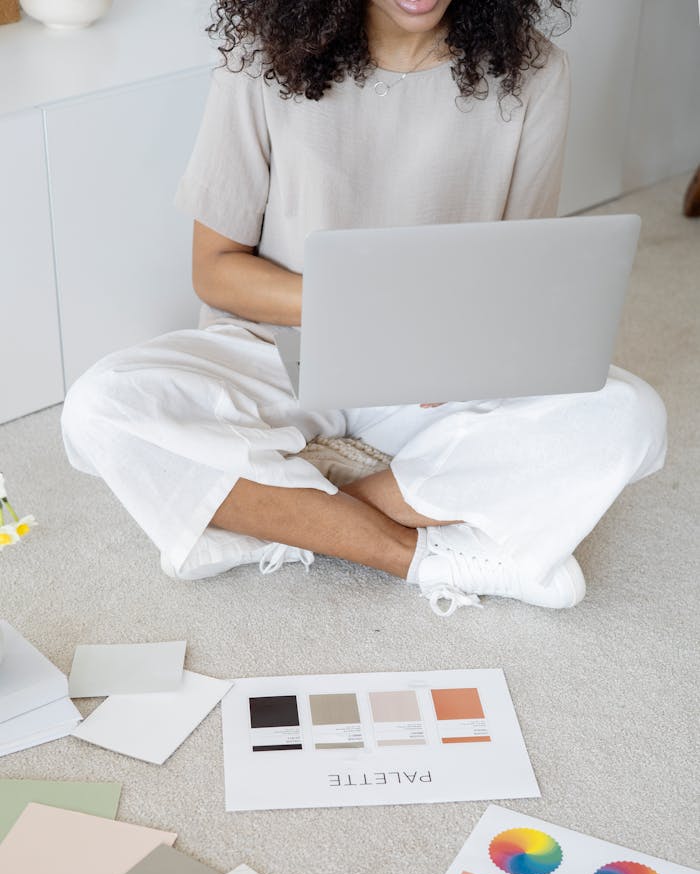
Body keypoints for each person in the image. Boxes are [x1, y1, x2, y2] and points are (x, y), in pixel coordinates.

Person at [61, 0, 667, 616]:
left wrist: (474, 355)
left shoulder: (534, 70)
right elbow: (215, 268)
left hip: (434, 379)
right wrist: (360, 308)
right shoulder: (259, 63)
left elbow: (517, 277)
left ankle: (288, 508)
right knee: (100, 407)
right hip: (279, 350)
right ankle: (420, 557)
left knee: (633, 417)